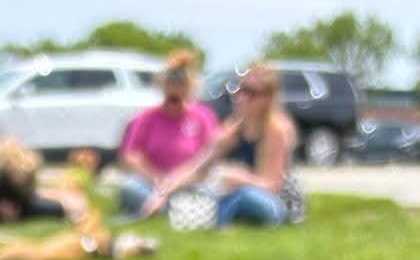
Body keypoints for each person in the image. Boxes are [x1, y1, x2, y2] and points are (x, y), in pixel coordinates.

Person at [159, 63, 301, 226]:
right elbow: (198, 168)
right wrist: (165, 191)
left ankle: (218, 220)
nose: (242, 97)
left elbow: (273, 186)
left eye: (251, 93)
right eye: (240, 89)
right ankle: (218, 217)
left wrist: (242, 179)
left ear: (267, 98)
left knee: (245, 196)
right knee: (201, 191)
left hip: (273, 203)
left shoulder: (276, 131)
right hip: (234, 194)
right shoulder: (231, 131)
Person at [114, 51, 217, 217]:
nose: (175, 91)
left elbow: (209, 155)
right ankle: (172, 209)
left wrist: (176, 181)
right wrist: (155, 178)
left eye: (181, 85)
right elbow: (131, 155)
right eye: (171, 85)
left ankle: (164, 208)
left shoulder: (203, 117)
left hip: (189, 180)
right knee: (130, 188)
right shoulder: (146, 117)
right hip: (152, 180)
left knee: (208, 193)